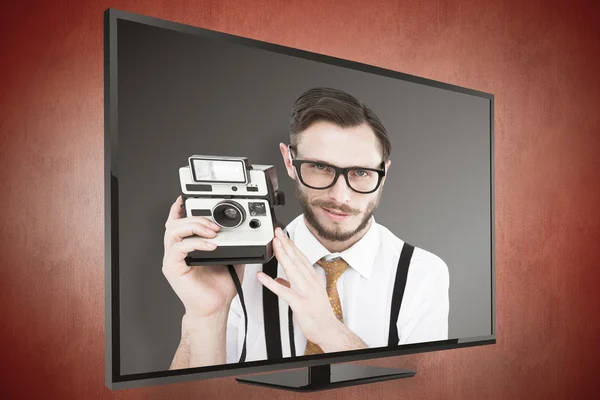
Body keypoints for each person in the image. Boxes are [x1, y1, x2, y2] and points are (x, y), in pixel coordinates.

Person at [163, 87, 450, 369]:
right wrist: (205, 316)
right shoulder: (240, 267)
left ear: (383, 173)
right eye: (321, 168)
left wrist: (328, 331)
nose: (341, 197)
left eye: (361, 173)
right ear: (289, 161)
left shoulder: (421, 274)